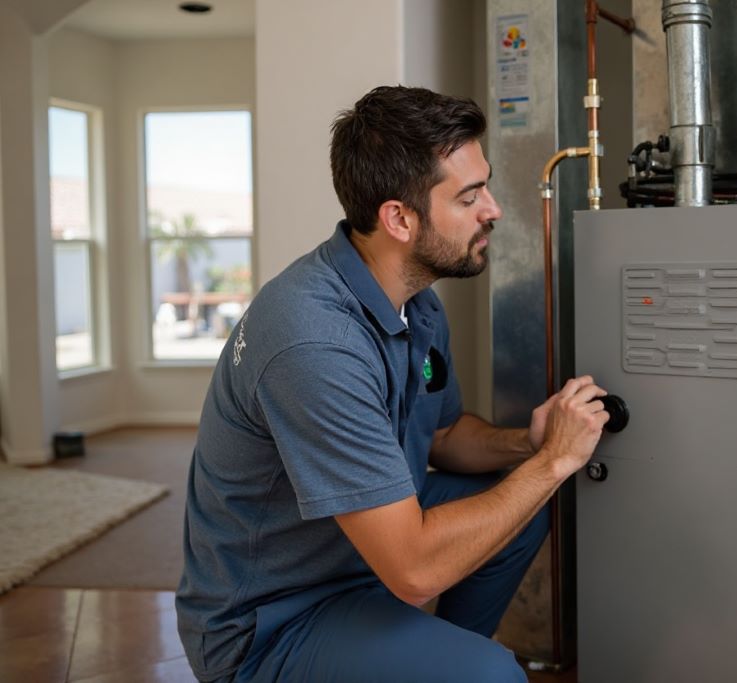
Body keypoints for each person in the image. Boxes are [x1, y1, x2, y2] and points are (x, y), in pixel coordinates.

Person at [175, 85, 609, 683]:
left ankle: (438, 657)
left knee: (519, 501)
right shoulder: (314, 342)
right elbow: (415, 572)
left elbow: (444, 435)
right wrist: (557, 461)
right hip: (269, 621)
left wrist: (529, 446)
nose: (493, 210)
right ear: (399, 219)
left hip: (355, 557)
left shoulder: (414, 301)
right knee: (491, 676)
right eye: (469, 196)